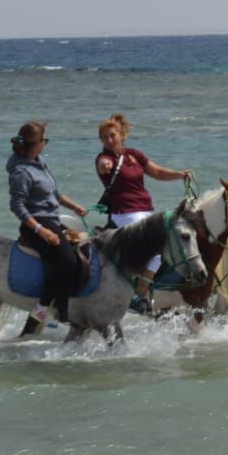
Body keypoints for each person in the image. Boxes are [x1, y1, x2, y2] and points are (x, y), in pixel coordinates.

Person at [95, 113, 190, 313]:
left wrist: (179, 175)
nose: (109, 140)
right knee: (155, 250)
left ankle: (169, 288)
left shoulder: (134, 154)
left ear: (122, 135)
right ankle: (139, 294)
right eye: (104, 138)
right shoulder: (104, 158)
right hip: (124, 214)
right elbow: (103, 165)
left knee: (178, 236)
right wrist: (105, 166)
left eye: (112, 135)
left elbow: (157, 172)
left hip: (146, 210)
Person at [7, 121, 88, 324]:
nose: (46, 143)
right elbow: (17, 206)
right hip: (36, 224)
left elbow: (55, 194)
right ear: (37, 143)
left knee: (82, 252)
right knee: (68, 263)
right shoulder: (21, 172)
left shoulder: (40, 162)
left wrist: (75, 207)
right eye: (45, 140)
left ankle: (62, 306)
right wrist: (41, 231)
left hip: (52, 219)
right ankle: (44, 308)